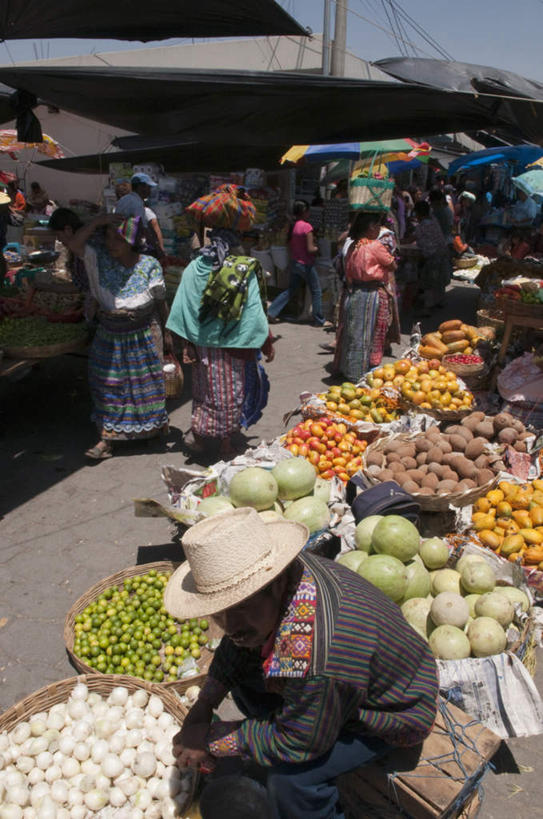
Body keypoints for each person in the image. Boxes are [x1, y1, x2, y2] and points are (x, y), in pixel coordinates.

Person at [166, 508, 438, 819]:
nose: (229, 625)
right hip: (338, 683)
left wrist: (213, 740)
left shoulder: (319, 656)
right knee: (245, 675)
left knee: (289, 781)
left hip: (395, 711)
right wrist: (205, 703)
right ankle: (285, 721)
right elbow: (235, 645)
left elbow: (299, 741)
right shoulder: (292, 574)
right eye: (219, 612)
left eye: (240, 607)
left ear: (275, 584)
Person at [49, 208, 171, 460]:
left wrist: (169, 333)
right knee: (108, 387)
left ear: (132, 242)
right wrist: (98, 221)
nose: (110, 243)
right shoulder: (98, 259)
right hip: (110, 336)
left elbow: (160, 302)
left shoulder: (149, 265)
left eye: (118, 238)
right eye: (108, 237)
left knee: (145, 386)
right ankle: (106, 439)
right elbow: (73, 243)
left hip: (144, 335)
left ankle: (151, 432)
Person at [166, 187, 274, 459]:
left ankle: (201, 435)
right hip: (232, 345)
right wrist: (265, 339)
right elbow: (254, 311)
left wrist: (187, 340)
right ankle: (226, 444)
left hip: (203, 344)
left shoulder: (195, 265)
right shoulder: (244, 266)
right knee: (229, 395)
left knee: (204, 391)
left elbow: (183, 304)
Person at [333, 210, 396, 381]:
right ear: (369, 227)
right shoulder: (375, 246)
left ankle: (348, 369)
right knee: (371, 334)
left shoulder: (352, 244)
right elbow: (392, 265)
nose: (378, 229)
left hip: (353, 293)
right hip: (371, 294)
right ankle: (362, 373)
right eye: (376, 225)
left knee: (352, 332)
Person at [268, 200, 330, 328]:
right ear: (304, 212)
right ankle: (319, 319)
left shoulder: (293, 226)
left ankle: (271, 312)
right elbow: (310, 249)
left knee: (291, 290)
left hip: (295, 263)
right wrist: (318, 248)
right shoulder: (307, 227)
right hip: (306, 264)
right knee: (316, 291)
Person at [414, 200, 450, 314]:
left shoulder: (421, 226)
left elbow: (414, 238)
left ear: (418, 214)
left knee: (430, 281)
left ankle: (428, 307)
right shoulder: (434, 221)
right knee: (439, 280)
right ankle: (440, 301)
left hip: (432, 256)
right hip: (442, 253)